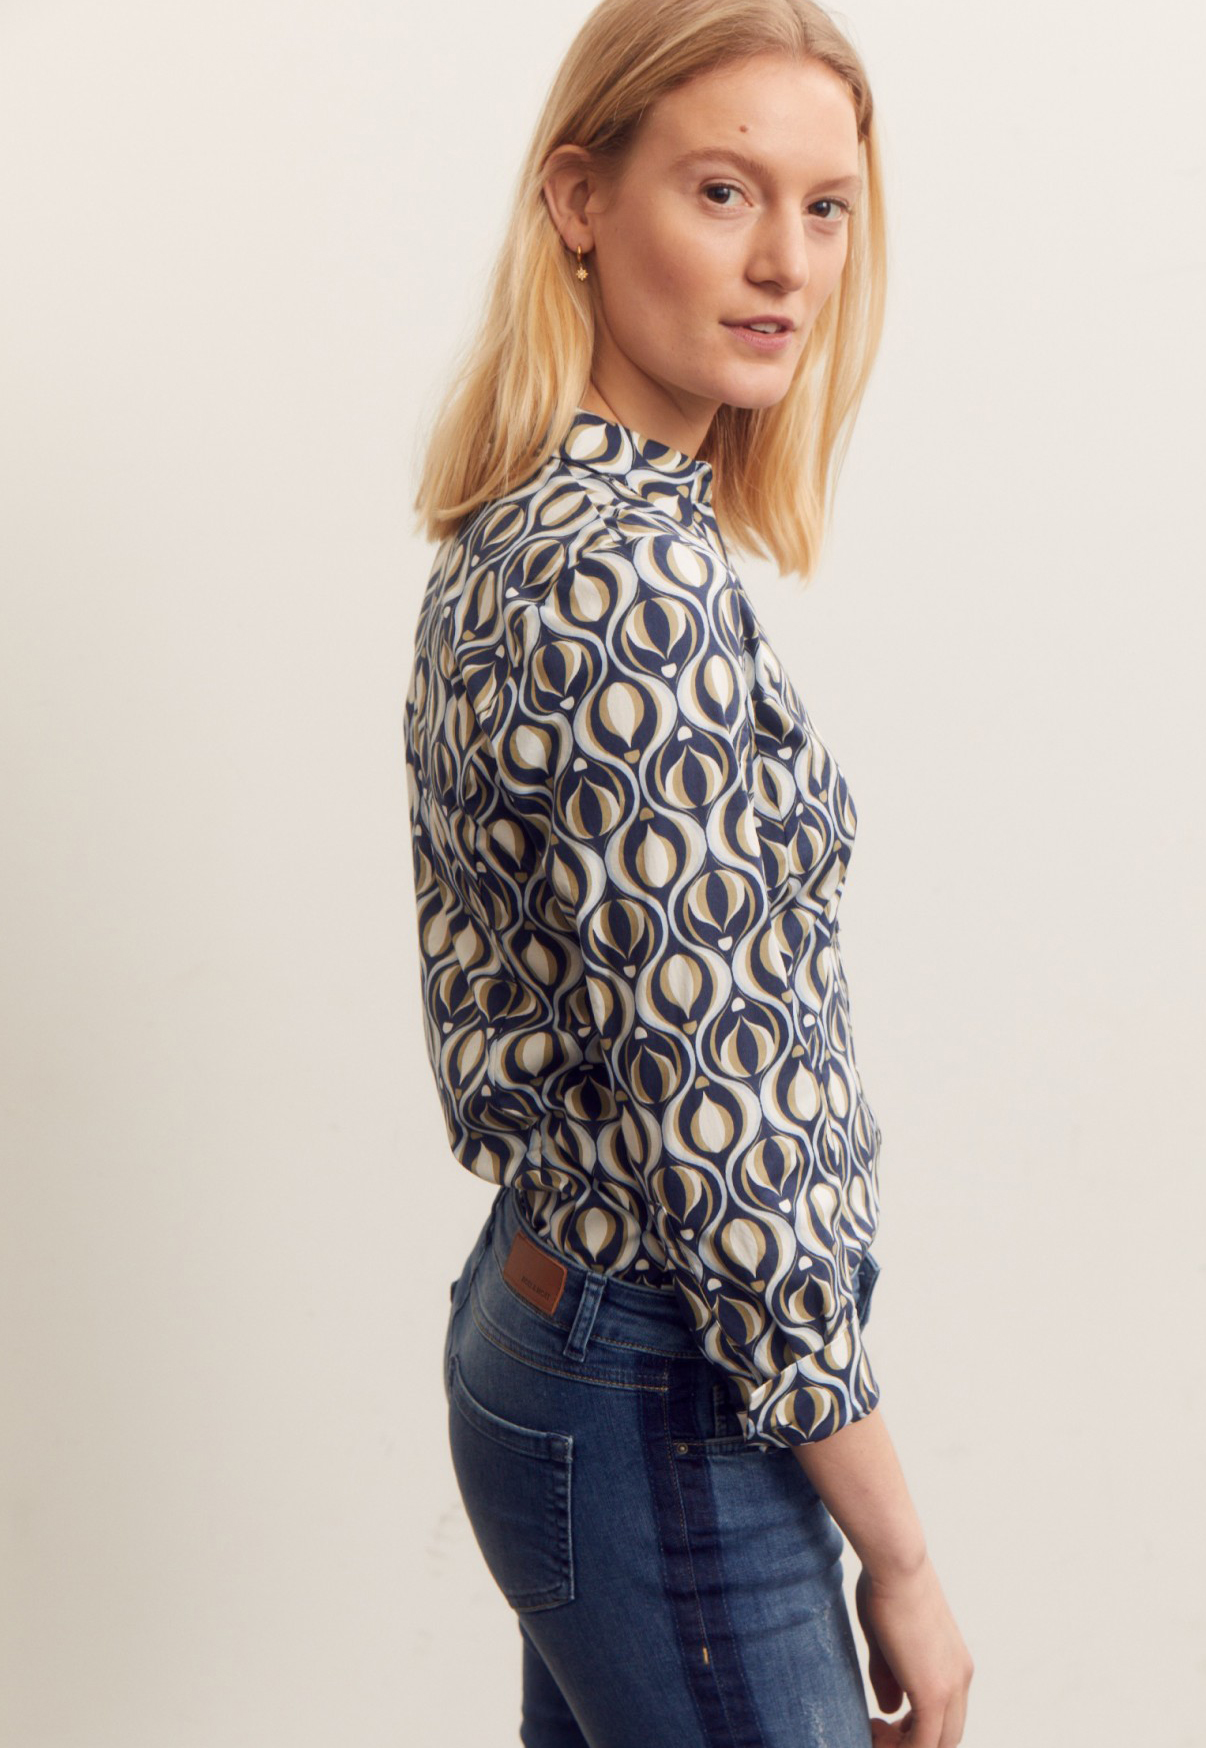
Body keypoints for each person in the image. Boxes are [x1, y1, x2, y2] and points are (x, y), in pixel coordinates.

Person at [403, 1, 973, 1742]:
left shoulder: (543, 521)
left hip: (568, 1326)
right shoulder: (628, 591)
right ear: (581, 199)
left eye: (826, 207)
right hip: (666, 1385)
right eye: (724, 192)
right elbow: (724, 1139)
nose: (786, 263)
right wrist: (902, 1557)